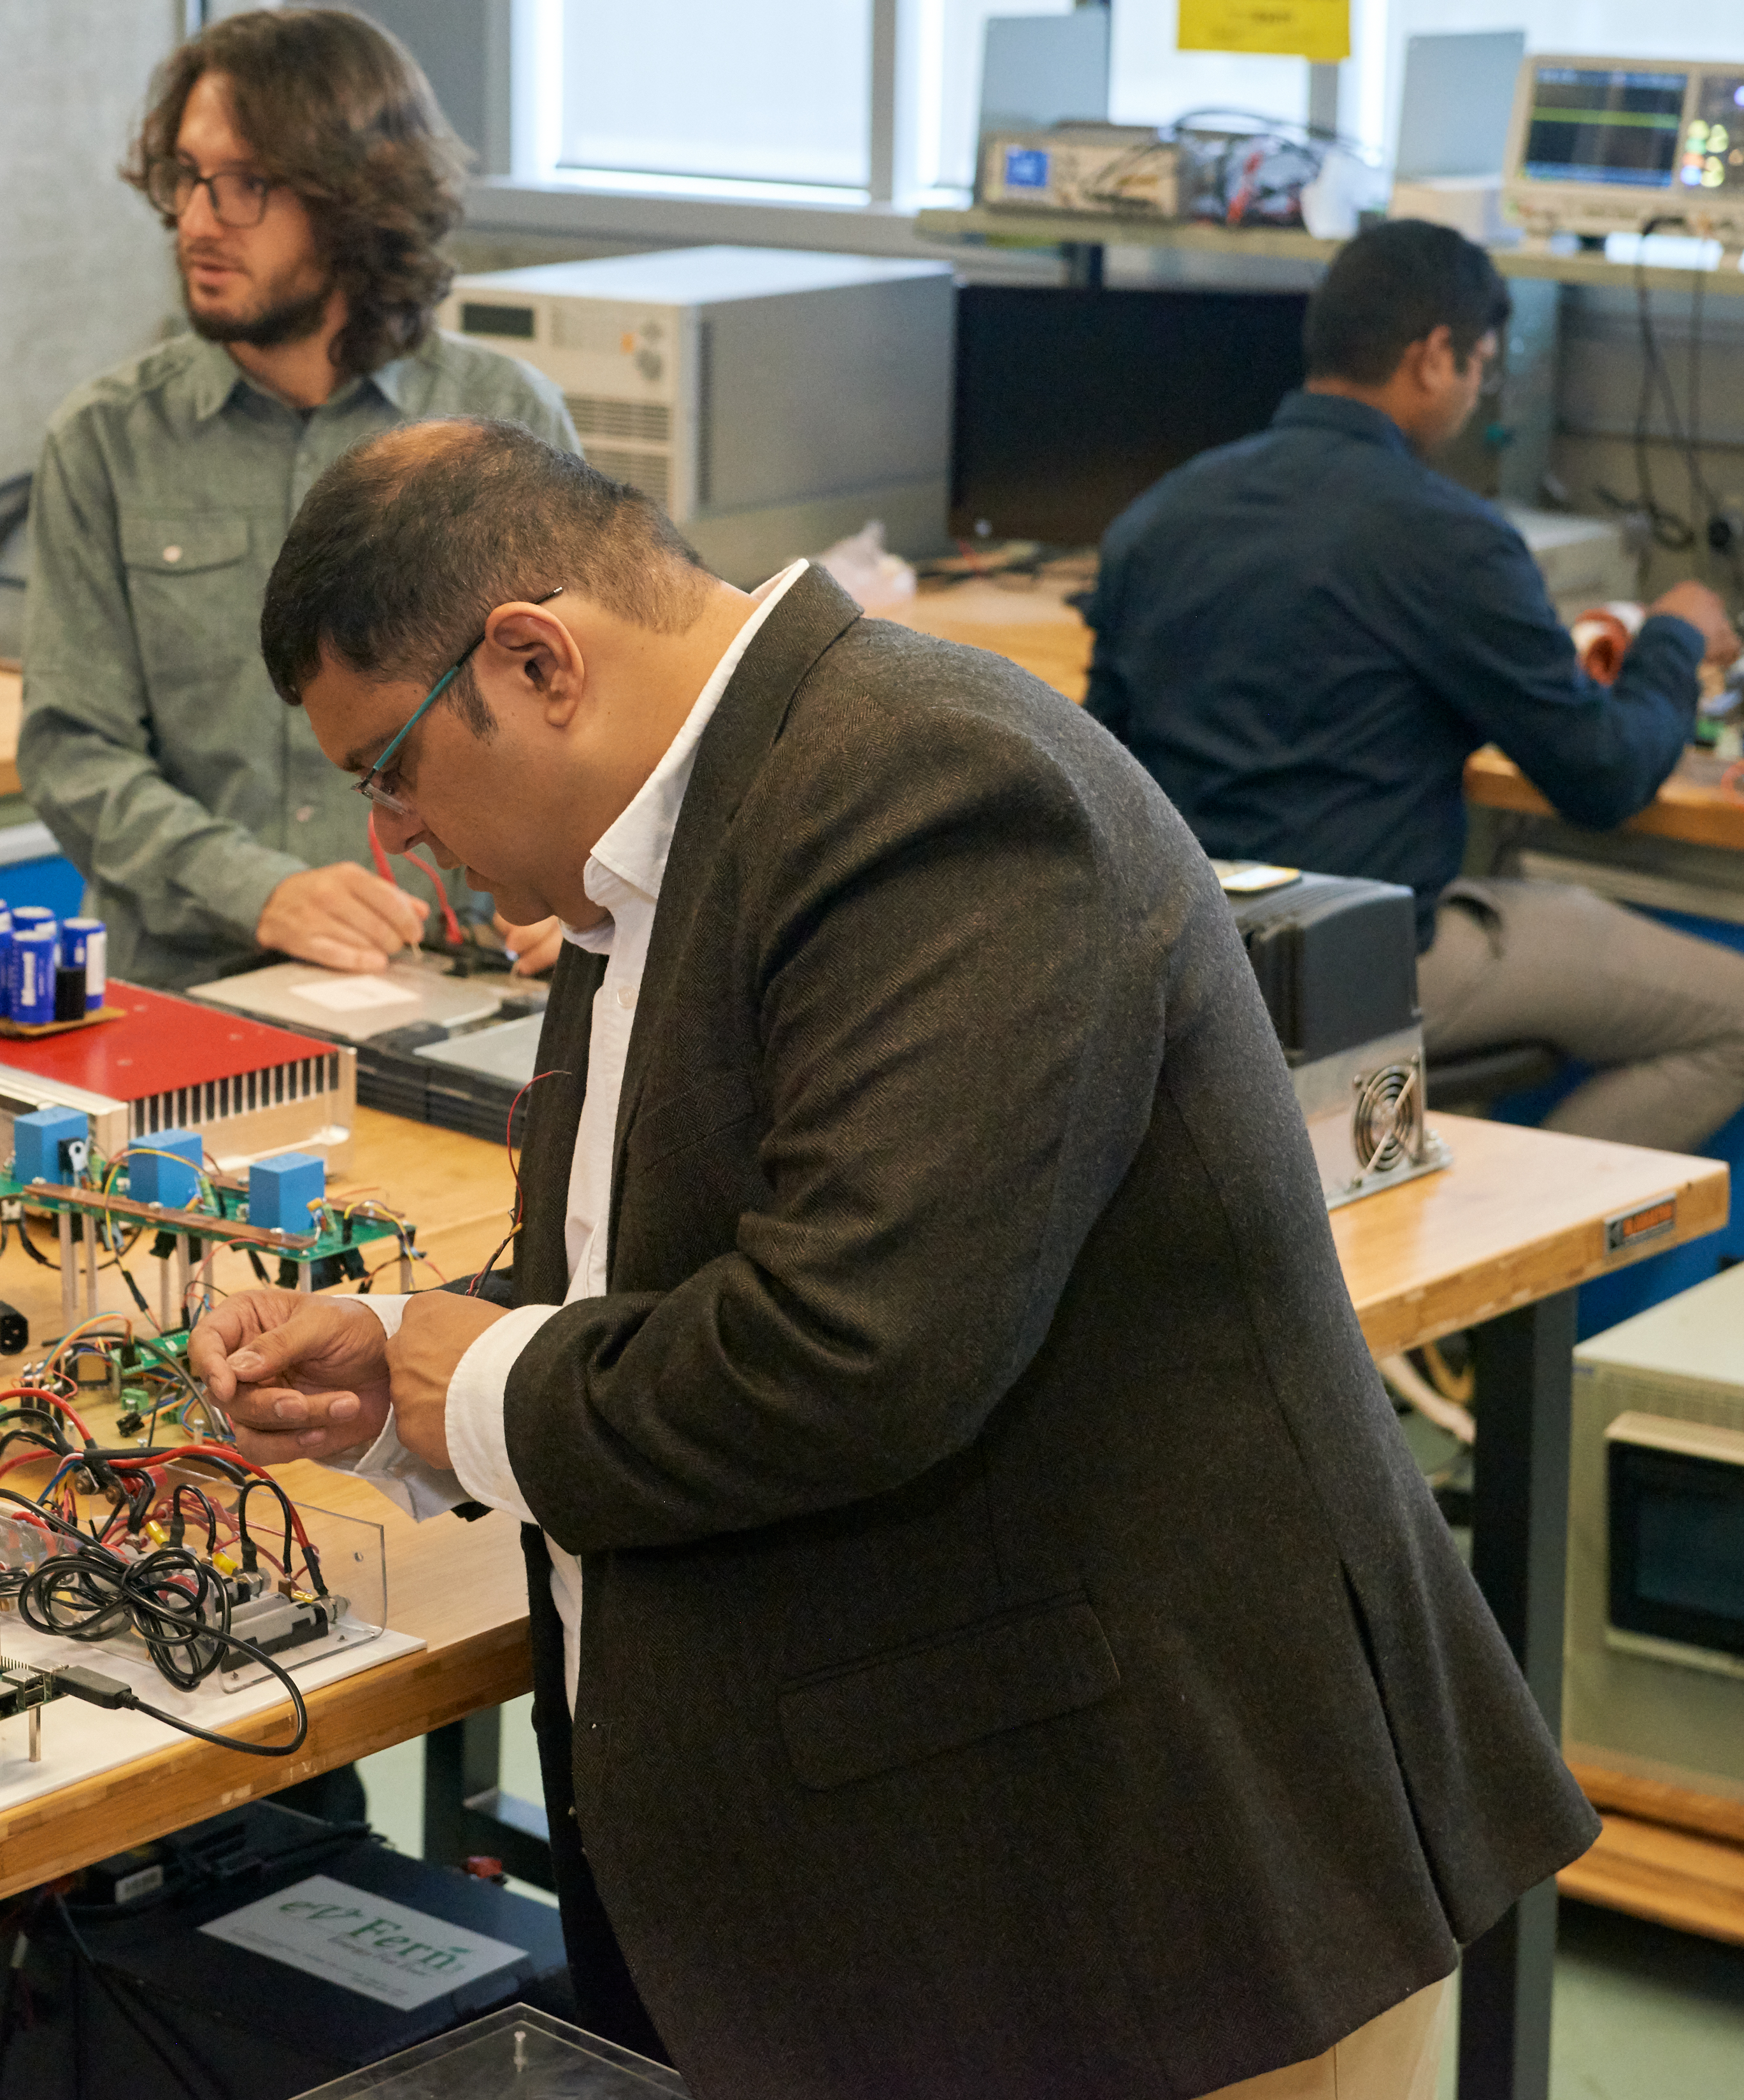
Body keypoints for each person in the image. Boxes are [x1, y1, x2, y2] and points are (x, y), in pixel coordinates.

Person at [192, 417, 1597, 2098]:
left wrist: (474, 1385)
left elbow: (851, 1349)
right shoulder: (652, 854)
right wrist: (399, 1349)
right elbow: (650, 1270)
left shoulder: (934, 788)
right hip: (912, 1889)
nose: (388, 843)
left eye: (389, 769)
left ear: (533, 657)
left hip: (1134, 1907)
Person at [1088, 217, 1744, 1153]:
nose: (1477, 394)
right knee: (1733, 1016)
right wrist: (1674, 638)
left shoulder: (1157, 513)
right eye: (1479, 365)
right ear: (1433, 356)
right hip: (1364, 964)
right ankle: (1523, 1257)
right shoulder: (1446, 537)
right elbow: (1601, 779)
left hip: (1188, 967)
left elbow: (1103, 762)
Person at [19, 6, 581, 990]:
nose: (195, 221)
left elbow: (589, 709)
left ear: (354, 197)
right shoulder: (106, 440)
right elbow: (75, 752)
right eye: (185, 179)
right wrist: (257, 889)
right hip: (200, 982)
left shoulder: (502, 420)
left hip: (472, 982)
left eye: (244, 186)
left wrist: (580, 891)